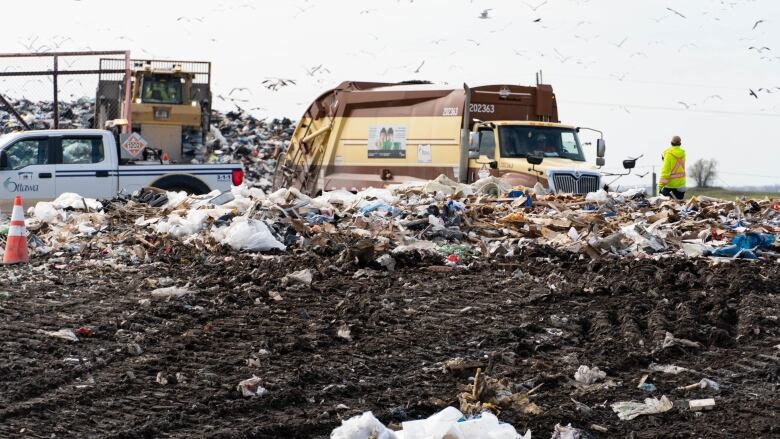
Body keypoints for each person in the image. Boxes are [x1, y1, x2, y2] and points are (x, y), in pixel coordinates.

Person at [658, 135, 686, 199]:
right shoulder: (683, 153)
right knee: (678, 206)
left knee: (664, 203)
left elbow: (665, 172)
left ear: (671, 142)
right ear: (680, 143)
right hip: (681, 188)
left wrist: (659, 187)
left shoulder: (668, 154)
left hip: (670, 188)